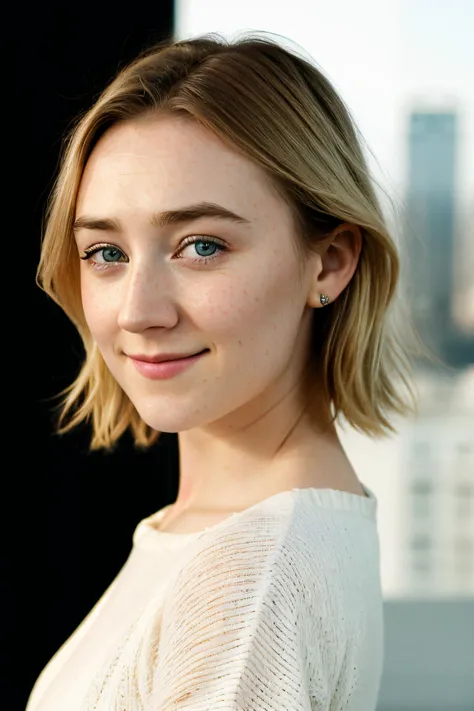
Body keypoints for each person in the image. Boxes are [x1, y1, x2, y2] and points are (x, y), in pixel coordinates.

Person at [27, 30, 427, 711]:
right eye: (105, 251)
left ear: (328, 262)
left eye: (200, 245)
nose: (137, 311)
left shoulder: (247, 584)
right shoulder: (238, 534)